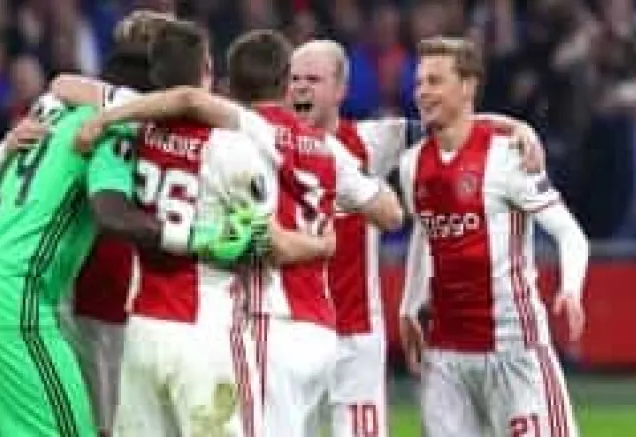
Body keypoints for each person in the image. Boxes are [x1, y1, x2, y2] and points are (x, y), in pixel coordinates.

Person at [74, 29, 406, 437]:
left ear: (228, 85)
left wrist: (103, 118)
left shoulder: (226, 132)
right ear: (285, 82)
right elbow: (391, 214)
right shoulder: (322, 148)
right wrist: (325, 241)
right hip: (315, 325)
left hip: (240, 321)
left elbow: (69, 86)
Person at [0, 55, 262, 437]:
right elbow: (111, 212)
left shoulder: (52, 116)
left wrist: (6, 146)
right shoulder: (112, 131)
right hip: (14, 303)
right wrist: (201, 238)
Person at [287, 39, 546, 437]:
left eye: (313, 79)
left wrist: (517, 127)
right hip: (295, 330)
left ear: (340, 90)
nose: (301, 87)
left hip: (356, 336)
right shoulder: (270, 144)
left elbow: (454, 121)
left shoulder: (372, 141)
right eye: (294, 79)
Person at [397, 36, 588, 437]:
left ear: (467, 86)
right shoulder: (412, 164)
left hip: (514, 348)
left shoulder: (508, 156)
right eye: (419, 83)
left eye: (435, 81)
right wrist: (409, 305)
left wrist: (571, 288)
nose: (422, 92)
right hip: (445, 357)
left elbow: (570, 233)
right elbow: (424, 233)